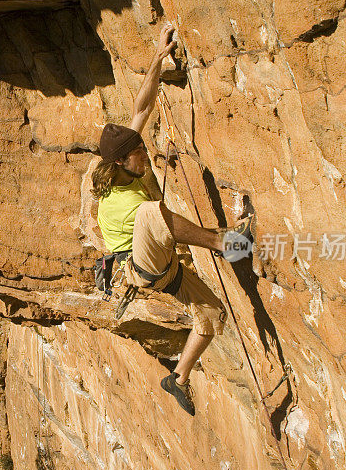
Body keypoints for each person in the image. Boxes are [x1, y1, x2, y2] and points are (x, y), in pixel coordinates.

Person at [91, 23, 251, 416]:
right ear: (119, 162)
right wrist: (209, 240)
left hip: (164, 267)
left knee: (212, 315)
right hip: (140, 268)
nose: (144, 153)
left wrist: (158, 58)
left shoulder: (126, 156)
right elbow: (155, 224)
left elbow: (142, 107)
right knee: (150, 212)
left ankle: (177, 378)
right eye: (138, 153)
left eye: (142, 147)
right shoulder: (116, 202)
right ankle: (224, 243)